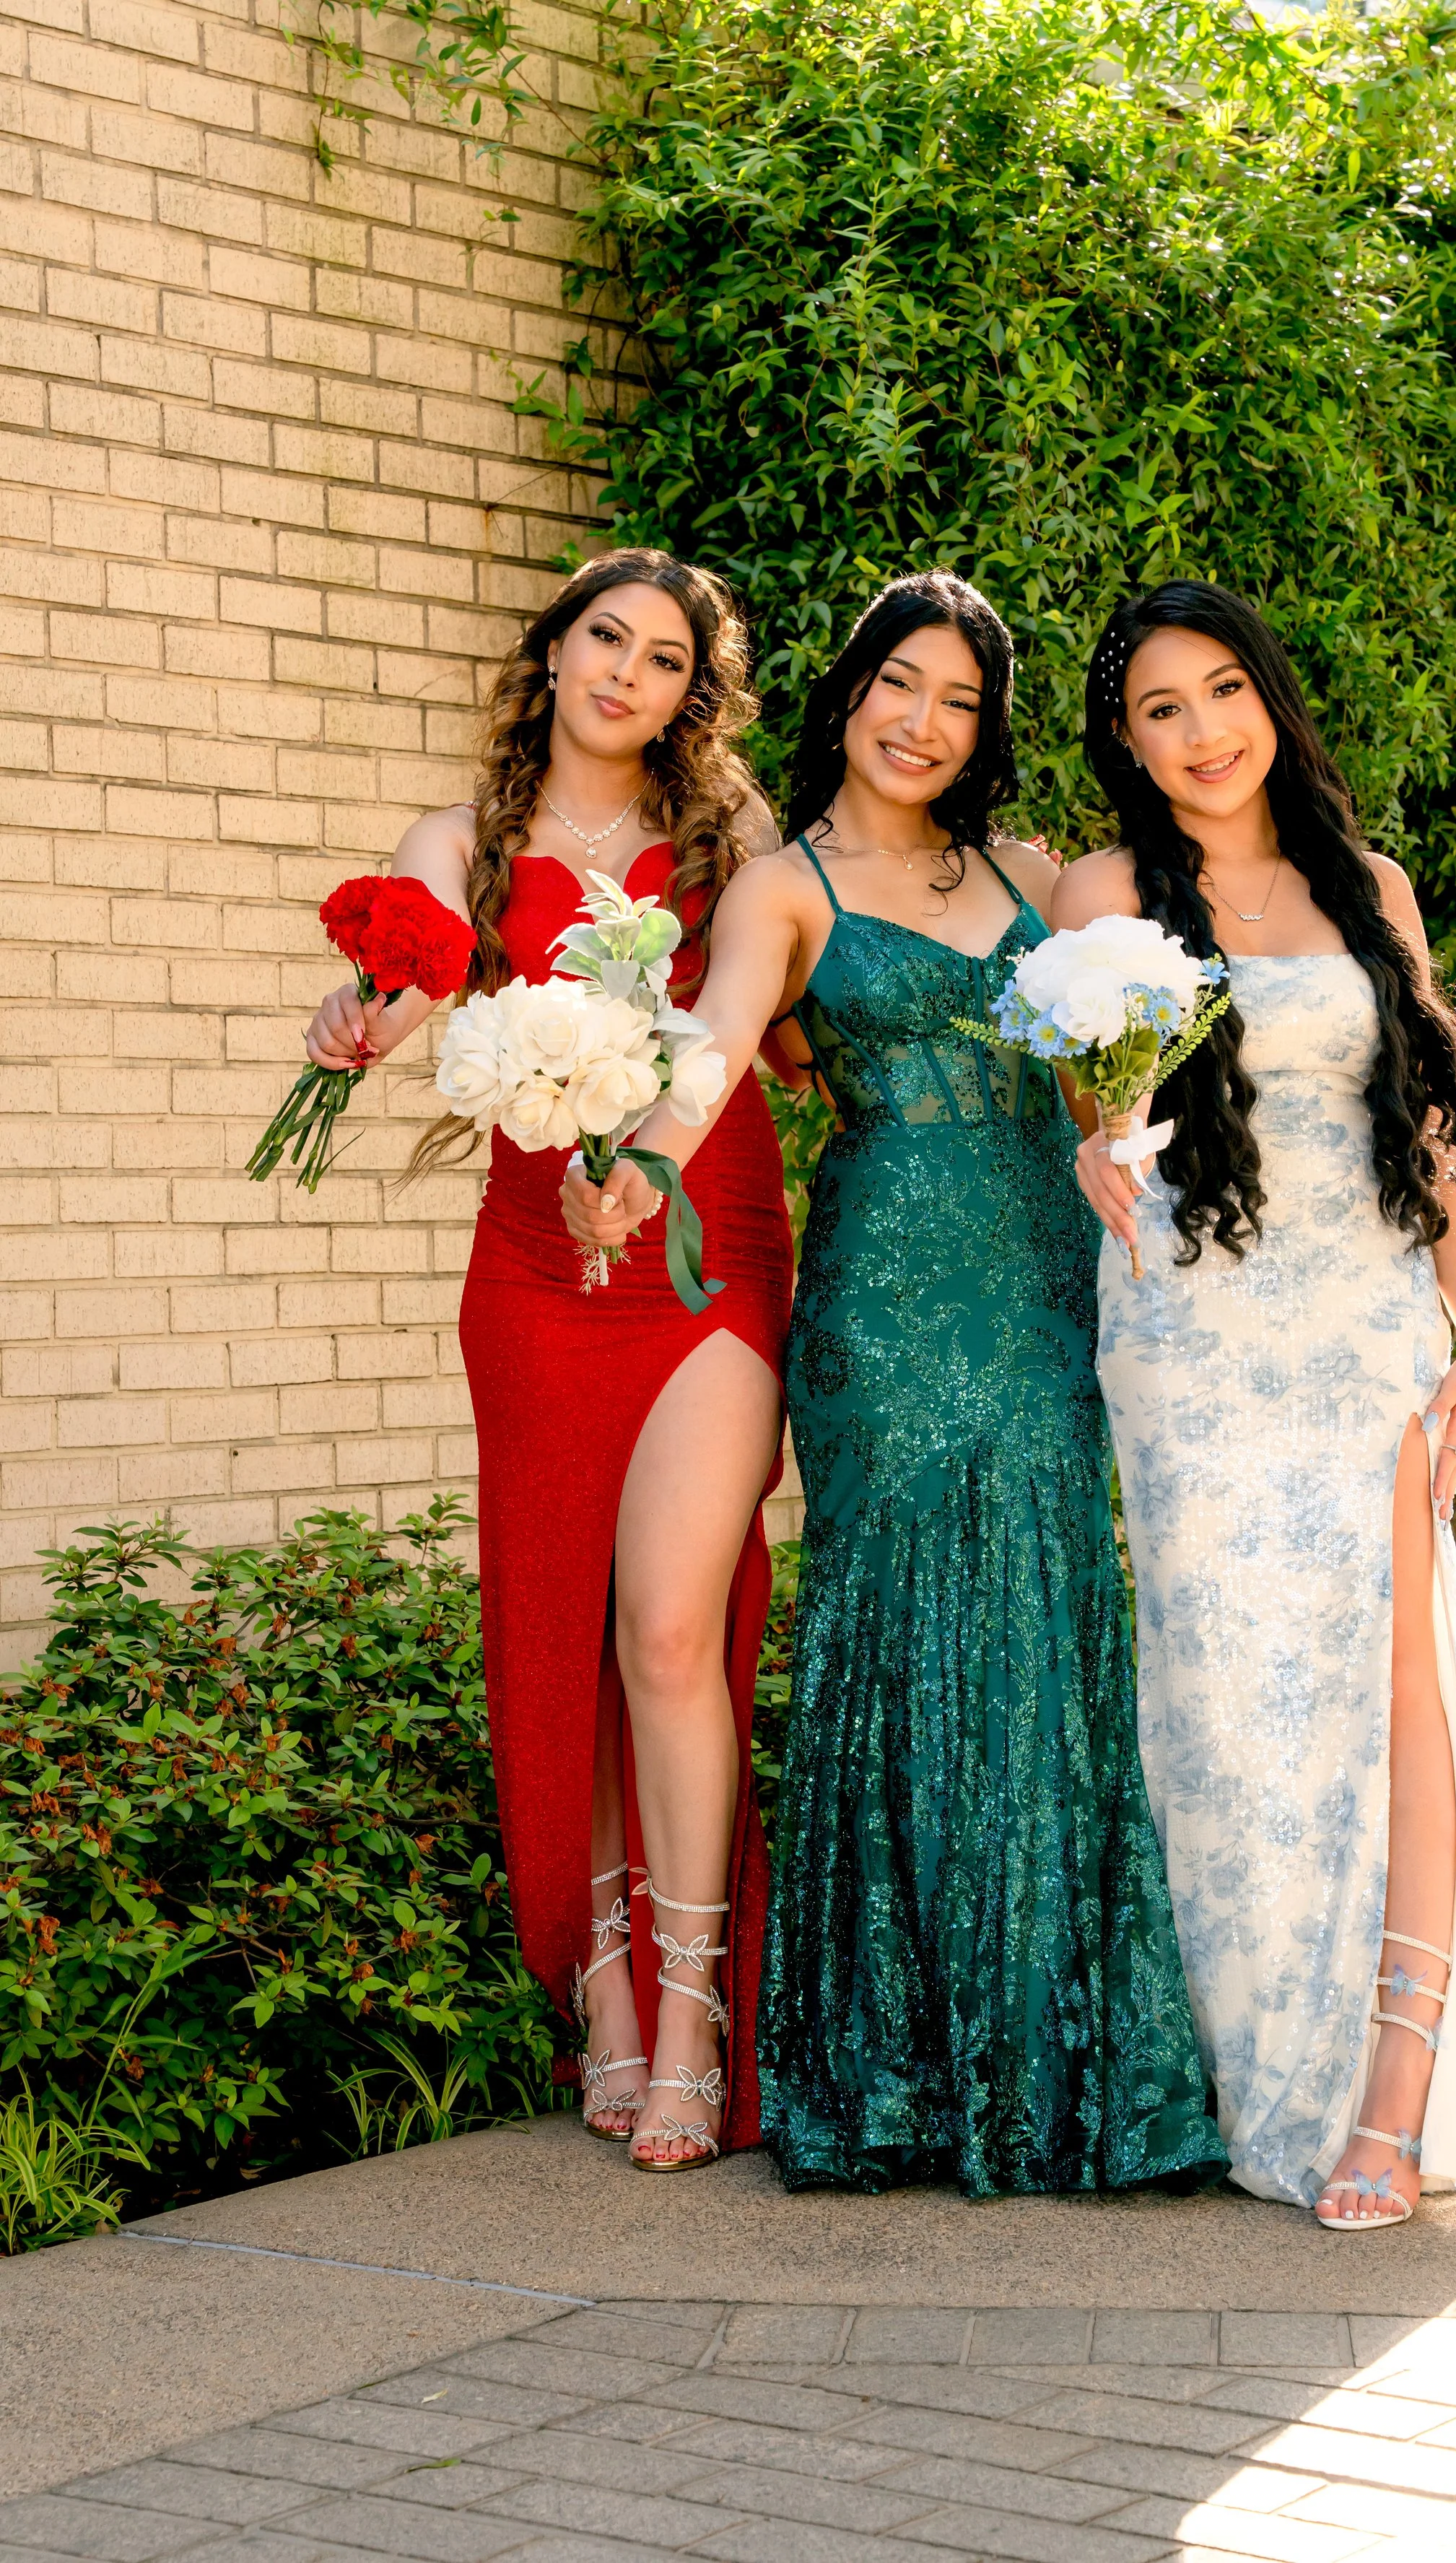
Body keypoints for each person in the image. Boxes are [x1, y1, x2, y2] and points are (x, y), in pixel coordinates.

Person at [562, 570, 1227, 2197]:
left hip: (1040, 1278)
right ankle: (890, 2076)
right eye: (898, 684)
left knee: (1040, 1616)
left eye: (958, 699)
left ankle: (1051, 2065)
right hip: (885, 1298)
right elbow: (716, 1043)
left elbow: (1139, 1041)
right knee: (902, 1624)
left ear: (983, 729)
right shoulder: (784, 890)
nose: (923, 722)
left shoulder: (1035, 873)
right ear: (850, 689)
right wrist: (638, 1160)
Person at [1057, 580, 1456, 2226]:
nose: (1203, 729)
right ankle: (1250, 2079)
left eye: (1225, 690)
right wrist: (1092, 1127)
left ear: (1271, 702)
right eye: (1162, 705)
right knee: (1229, 1721)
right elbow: (1102, 1098)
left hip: (1360, 1335)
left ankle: (1394, 2090)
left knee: (1393, 1692)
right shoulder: (1097, 890)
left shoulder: (1367, 888)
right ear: (1126, 741)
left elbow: (1429, 1122)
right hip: (1189, 1344)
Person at [303, 550, 794, 2172]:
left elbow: (735, 1026)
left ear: (690, 696)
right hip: (533, 1263)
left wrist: (652, 1150)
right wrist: (359, 1013)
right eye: (606, 638)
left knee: (666, 1625)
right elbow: (403, 964)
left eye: (665, 659)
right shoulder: (465, 841)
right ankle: (604, 1988)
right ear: (557, 647)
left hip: (700, 1238)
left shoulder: (736, 849)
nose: (626, 675)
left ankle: (699, 2000)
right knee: (564, 1616)